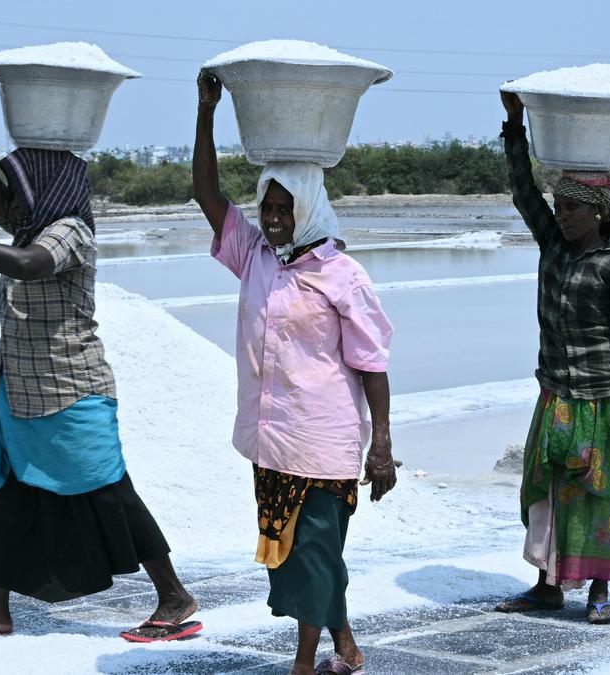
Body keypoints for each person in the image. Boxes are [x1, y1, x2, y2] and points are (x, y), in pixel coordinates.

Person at [0, 58, 200, 642]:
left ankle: (174, 597)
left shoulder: (68, 231)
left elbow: (26, 265)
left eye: (21, 186)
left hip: (71, 389)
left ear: (46, 189)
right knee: (12, 492)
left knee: (109, 490)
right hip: (20, 387)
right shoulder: (28, 221)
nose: (11, 195)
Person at [193, 70, 398, 675]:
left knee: (313, 553)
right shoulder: (255, 256)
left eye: (286, 209)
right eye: (268, 207)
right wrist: (206, 111)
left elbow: (372, 366)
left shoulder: (343, 276)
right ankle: (347, 646)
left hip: (326, 441)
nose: (275, 219)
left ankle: (304, 665)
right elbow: (206, 193)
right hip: (271, 437)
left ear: (309, 209)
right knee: (302, 556)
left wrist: (381, 447)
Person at [494, 90, 610, 625]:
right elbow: (522, 191)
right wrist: (514, 126)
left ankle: (599, 590)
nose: (562, 215)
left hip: (602, 400)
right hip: (555, 392)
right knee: (547, 490)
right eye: (559, 207)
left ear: (600, 212)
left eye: (573, 208)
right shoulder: (553, 246)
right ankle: (547, 585)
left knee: (599, 493)